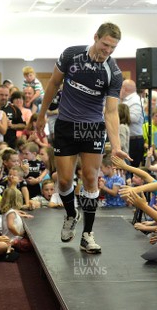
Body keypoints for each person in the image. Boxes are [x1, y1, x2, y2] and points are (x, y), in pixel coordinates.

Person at [36, 22, 129, 254]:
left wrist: (116, 146)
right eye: (105, 44)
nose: (107, 51)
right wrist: (41, 116)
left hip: (92, 128)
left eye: (113, 48)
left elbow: (110, 112)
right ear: (96, 37)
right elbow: (53, 84)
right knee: (65, 181)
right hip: (66, 125)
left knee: (90, 178)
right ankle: (71, 214)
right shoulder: (71, 54)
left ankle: (88, 234)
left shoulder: (113, 72)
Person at [120, 79, 144, 167]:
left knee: (132, 167)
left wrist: (118, 116)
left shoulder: (135, 100)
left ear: (125, 89)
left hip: (134, 140)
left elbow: (135, 117)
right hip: (128, 138)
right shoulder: (126, 100)